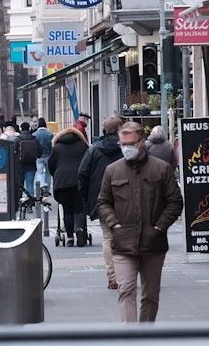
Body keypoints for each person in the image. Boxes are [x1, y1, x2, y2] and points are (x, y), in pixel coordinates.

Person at [97, 121, 184, 323]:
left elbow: (175, 202)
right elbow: (103, 202)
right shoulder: (112, 170)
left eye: (130, 143)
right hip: (122, 242)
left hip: (153, 243)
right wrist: (114, 224)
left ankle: (145, 334)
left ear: (142, 143)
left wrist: (159, 227)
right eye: (122, 144)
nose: (125, 148)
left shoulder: (161, 169)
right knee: (125, 291)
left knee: (150, 295)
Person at [78, 114, 125, 289]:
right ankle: (125, 274)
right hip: (126, 198)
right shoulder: (127, 148)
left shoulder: (93, 149)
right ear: (121, 129)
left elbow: (82, 174)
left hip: (102, 199)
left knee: (108, 237)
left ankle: (113, 277)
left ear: (105, 129)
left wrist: (86, 196)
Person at [48, 121, 90, 245]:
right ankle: (80, 229)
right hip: (79, 181)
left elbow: (50, 164)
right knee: (80, 209)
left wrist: (56, 175)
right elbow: (89, 162)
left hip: (62, 183)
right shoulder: (83, 146)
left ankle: (70, 237)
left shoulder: (58, 147)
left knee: (67, 210)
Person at [16, 121, 41, 194]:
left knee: (19, 185)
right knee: (29, 185)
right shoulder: (34, 139)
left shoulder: (18, 139)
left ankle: (19, 202)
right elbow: (40, 152)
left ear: (21, 129)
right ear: (29, 128)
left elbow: (13, 152)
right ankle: (30, 201)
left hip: (19, 166)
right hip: (31, 166)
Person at [33, 117, 54, 191]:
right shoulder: (50, 134)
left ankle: (42, 184)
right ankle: (47, 189)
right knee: (48, 173)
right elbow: (52, 146)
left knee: (39, 172)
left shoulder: (34, 135)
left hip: (38, 157)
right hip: (48, 156)